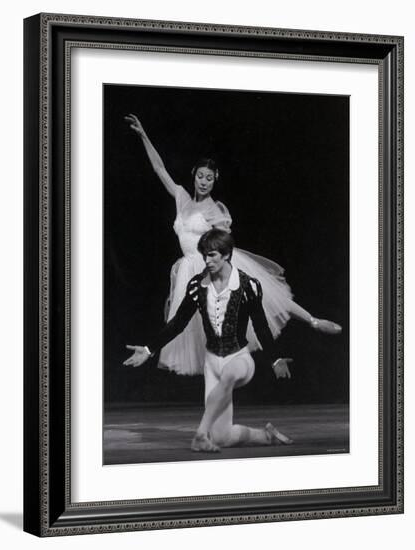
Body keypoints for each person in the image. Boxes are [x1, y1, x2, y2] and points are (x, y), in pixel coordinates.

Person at [124, 114, 341, 377]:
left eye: (210, 178)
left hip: (212, 263)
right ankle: (215, 383)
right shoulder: (181, 197)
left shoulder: (215, 210)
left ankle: (313, 320)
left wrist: (218, 265)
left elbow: (224, 242)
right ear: (194, 176)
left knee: (267, 300)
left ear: (215, 180)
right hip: (188, 267)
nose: (204, 181)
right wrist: (143, 135)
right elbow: (159, 169)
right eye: (201, 176)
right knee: (187, 324)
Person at [123, 229, 294, 452]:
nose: (207, 260)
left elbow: (261, 326)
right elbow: (178, 323)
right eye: (205, 255)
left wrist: (275, 358)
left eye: (212, 255)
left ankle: (200, 435)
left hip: (239, 358)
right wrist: (148, 349)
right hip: (212, 362)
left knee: (230, 375)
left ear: (226, 255)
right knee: (222, 437)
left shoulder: (248, 286)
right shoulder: (197, 286)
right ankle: (266, 435)